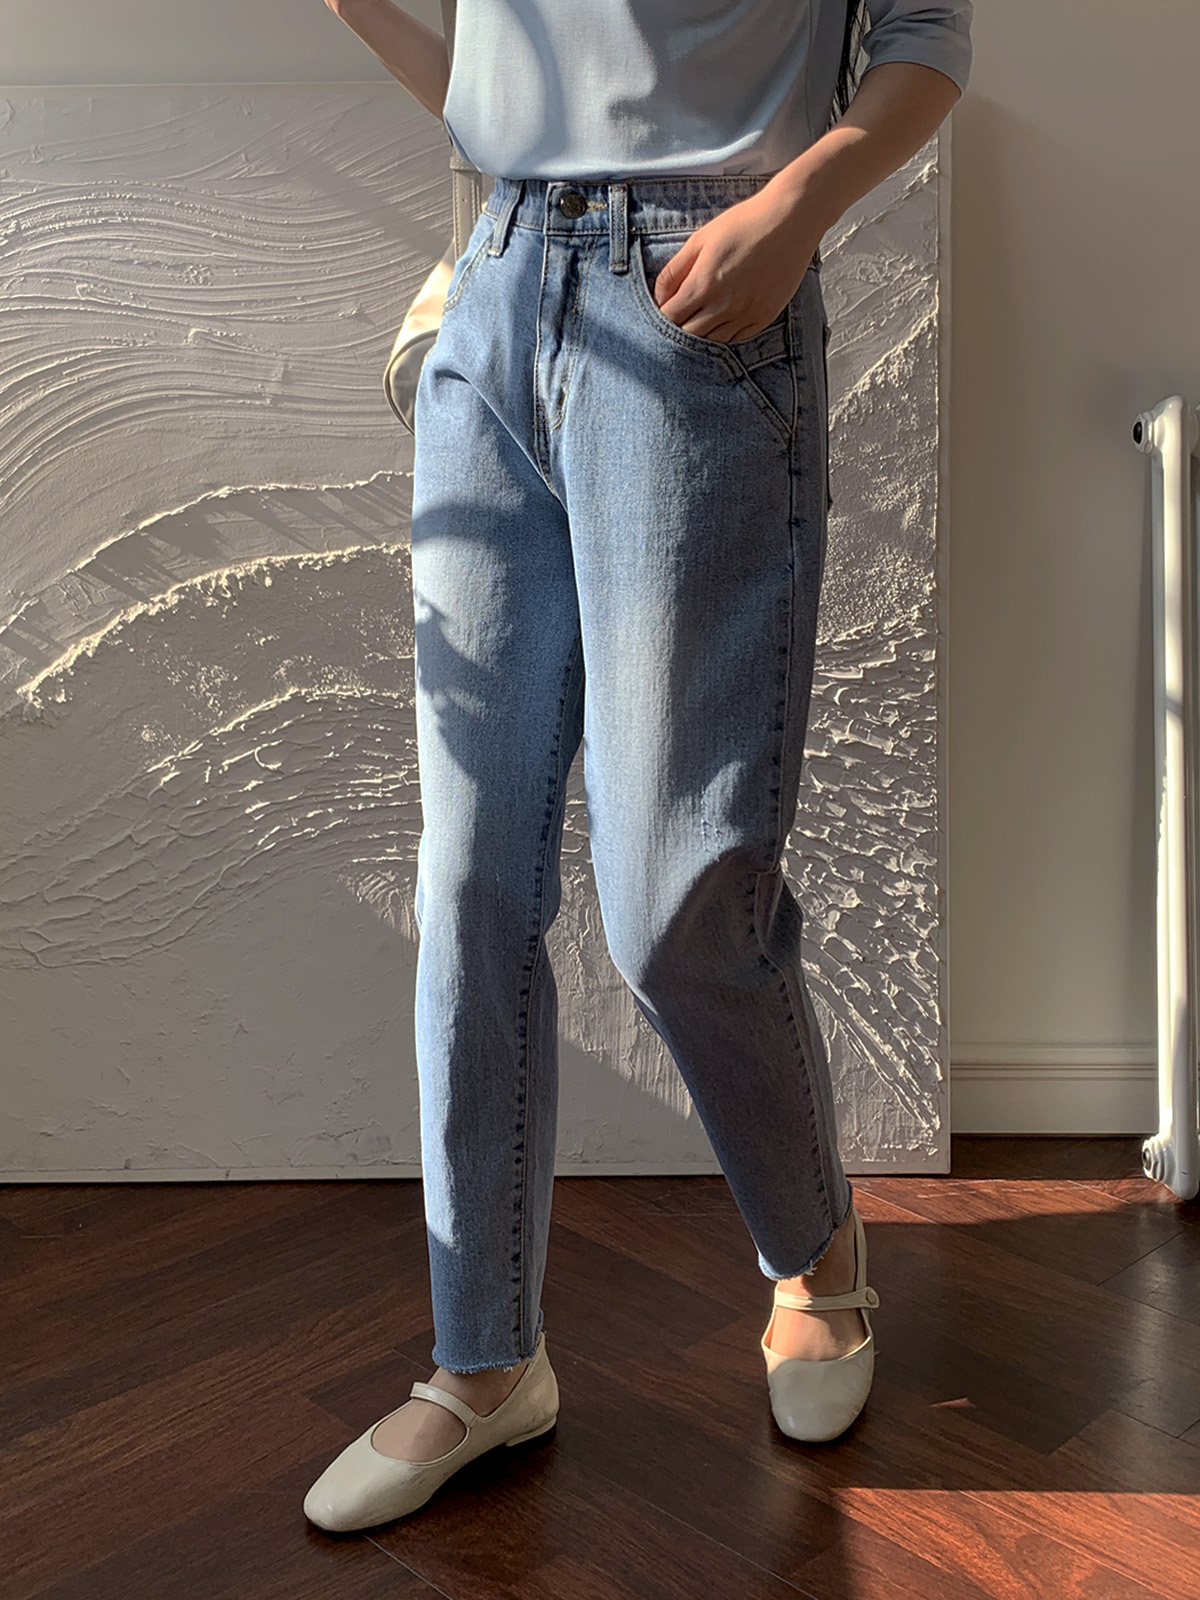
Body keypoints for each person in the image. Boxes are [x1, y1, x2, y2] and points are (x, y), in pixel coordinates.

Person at [306, 0, 972, 1534]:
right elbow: (496, 95)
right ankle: (484, 1363)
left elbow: (929, 39)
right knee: (468, 881)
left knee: (674, 900)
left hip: (699, 298)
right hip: (494, 291)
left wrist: (792, 212)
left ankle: (817, 1256)